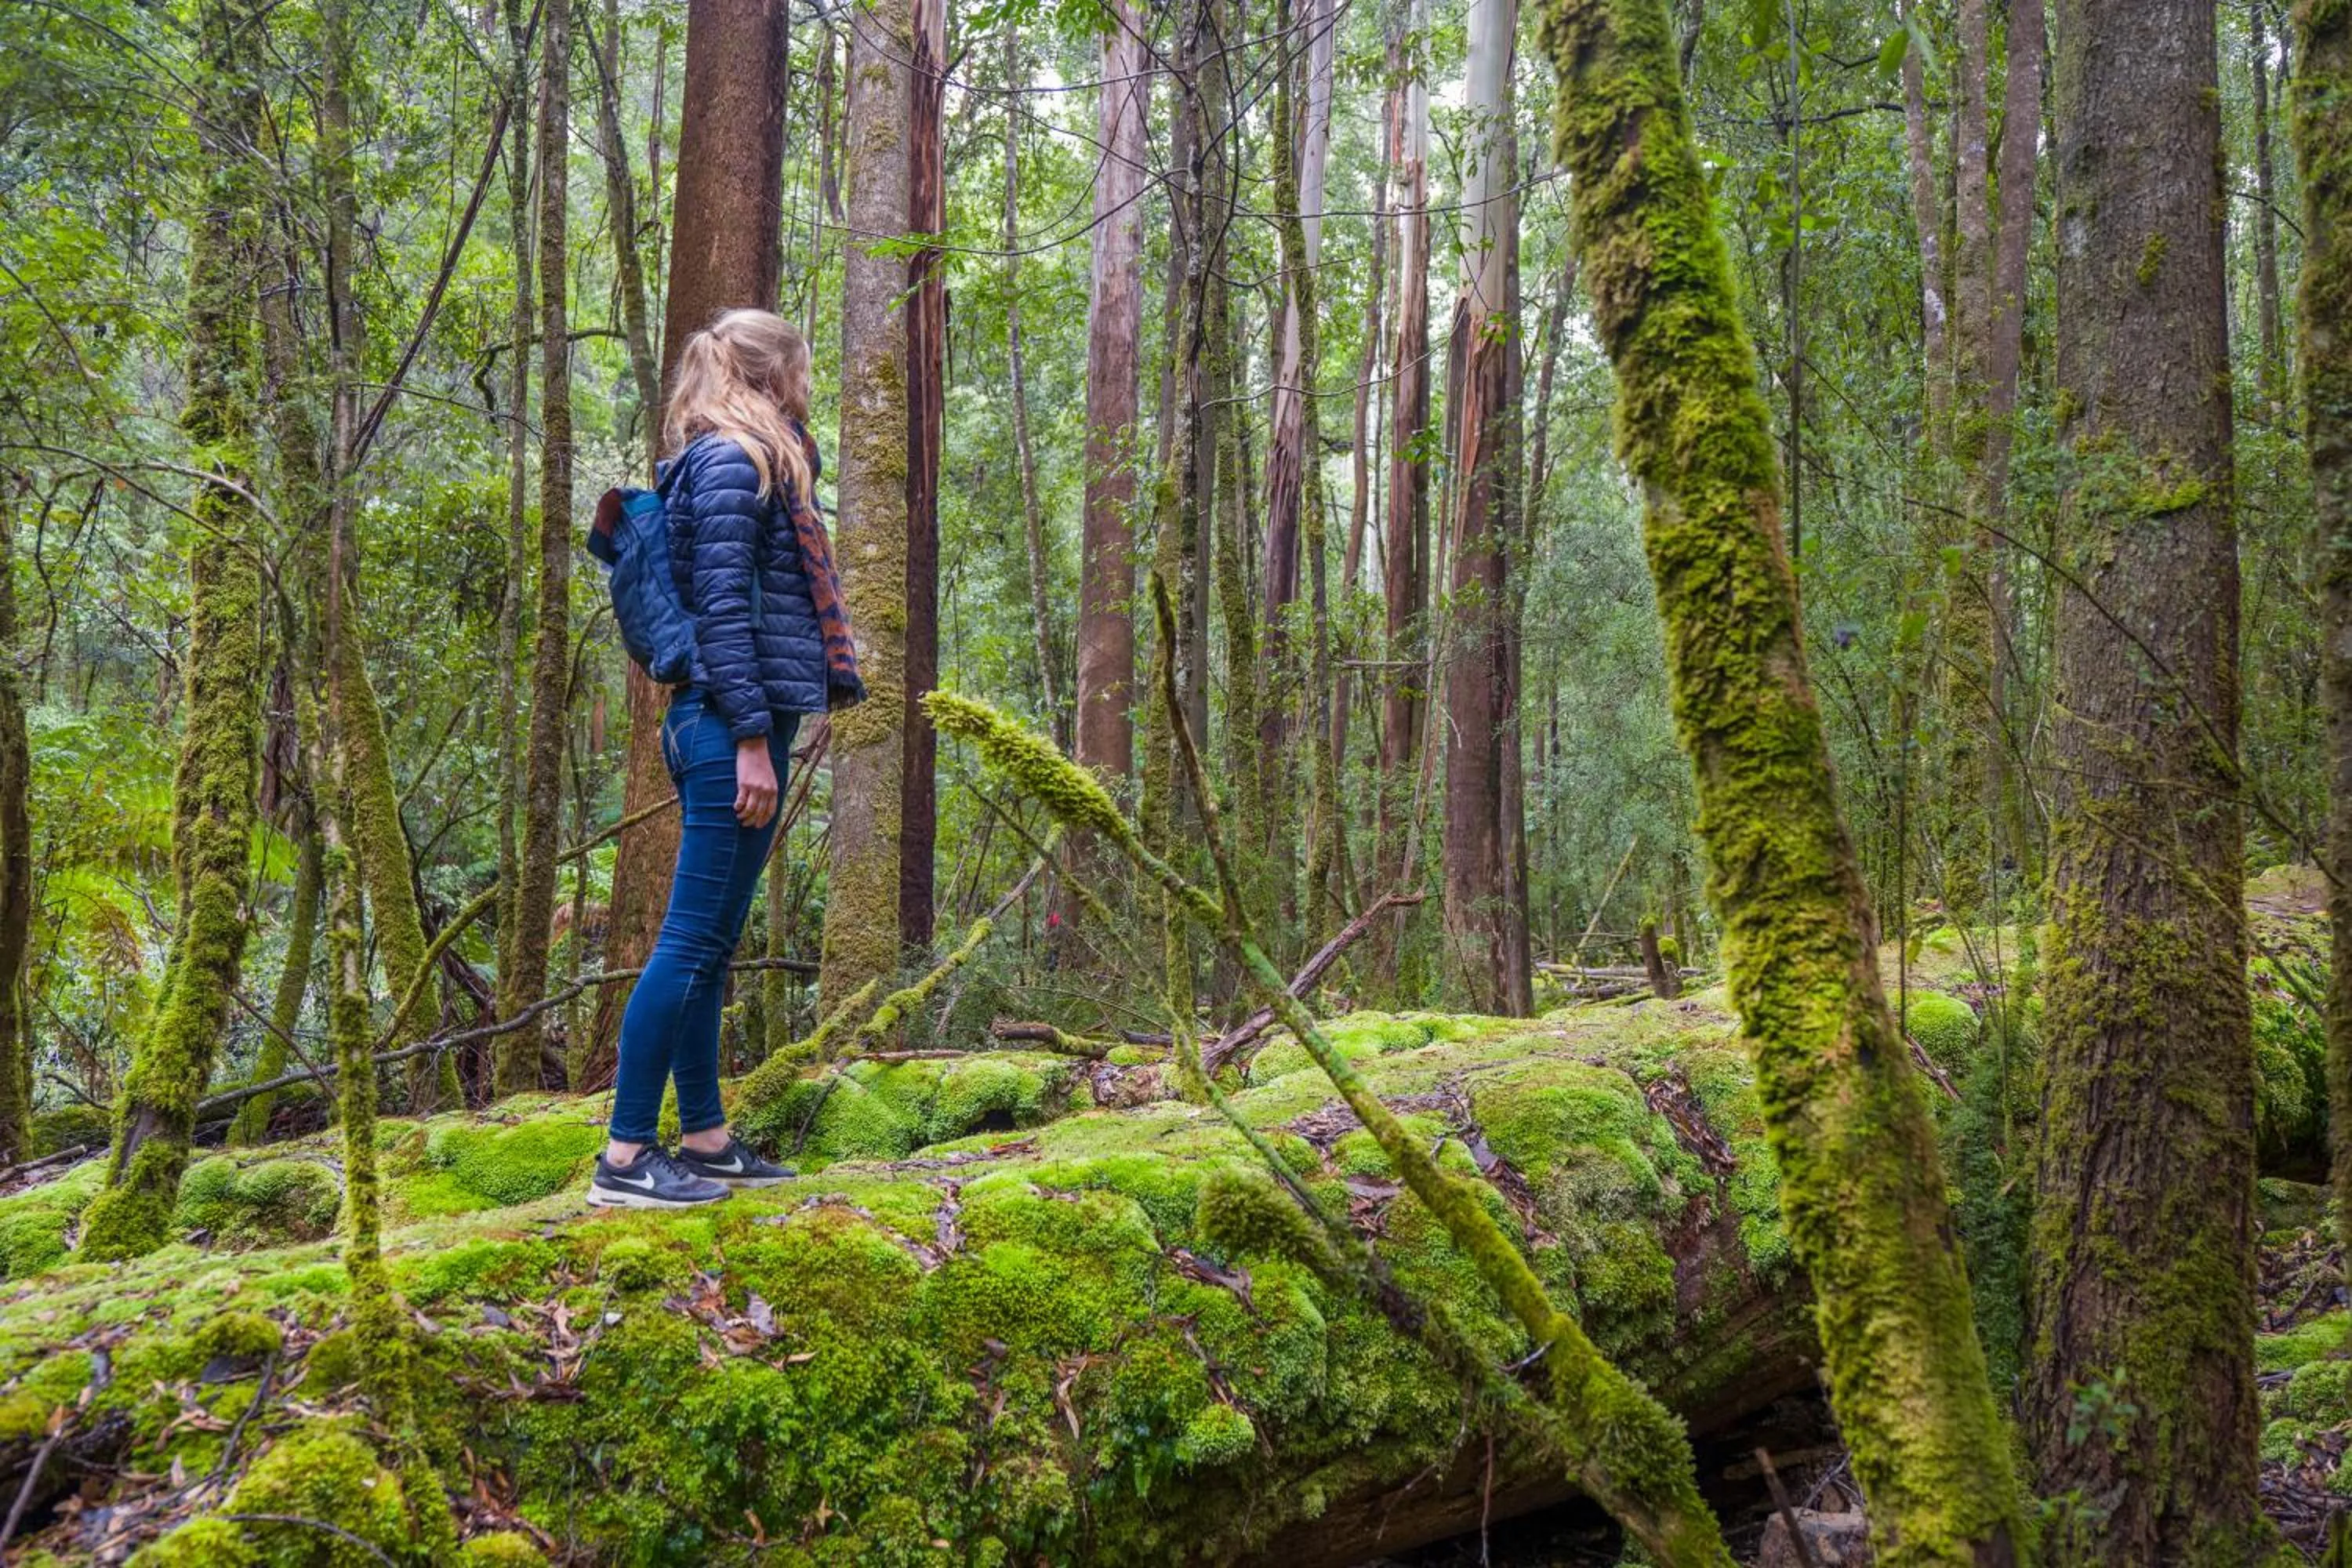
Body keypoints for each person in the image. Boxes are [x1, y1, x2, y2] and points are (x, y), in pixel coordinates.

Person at [588, 308, 863, 1208]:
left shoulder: (763, 460)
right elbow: (722, 613)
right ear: (773, 372)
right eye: (803, 367)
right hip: (720, 723)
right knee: (686, 938)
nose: (809, 381)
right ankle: (626, 1156)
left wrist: (775, 722)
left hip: (745, 719)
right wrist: (750, 736)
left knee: (714, 942)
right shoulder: (731, 461)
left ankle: (702, 1136)